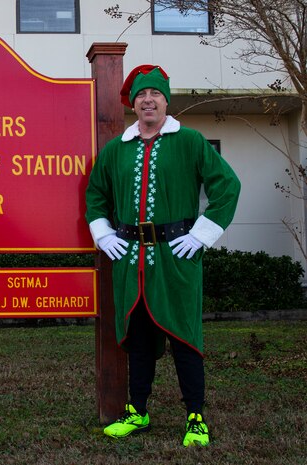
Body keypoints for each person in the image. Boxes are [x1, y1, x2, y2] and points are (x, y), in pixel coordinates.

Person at [85, 64, 240, 447]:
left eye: (154, 94)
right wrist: (103, 233)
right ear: (133, 105)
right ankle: (137, 411)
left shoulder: (189, 141)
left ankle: (196, 418)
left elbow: (227, 186)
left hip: (177, 258)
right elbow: (96, 195)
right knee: (138, 339)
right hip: (130, 261)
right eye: (141, 96)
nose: (148, 101)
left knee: (185, 338)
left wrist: (202, 234)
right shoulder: (115, 151)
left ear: (166, 101)